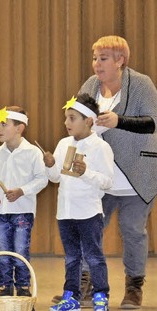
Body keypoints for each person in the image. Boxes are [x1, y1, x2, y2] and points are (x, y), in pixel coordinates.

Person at [78, 35, 157, 309]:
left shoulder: (141, 84)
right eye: (94, 58)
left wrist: (118, 121)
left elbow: (152, 123)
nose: (96, 64)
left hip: (136, 174)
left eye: (103, 59)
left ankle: (134, 287)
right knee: (90, 230)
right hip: (100, 177)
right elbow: (76, 120)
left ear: (120, 60)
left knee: (133, 231)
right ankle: (86, 285)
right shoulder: (90, 86)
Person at [44, 94, 113, 311]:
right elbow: (55, 177)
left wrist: (87, 173)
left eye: (72, 118)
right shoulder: (63, 143)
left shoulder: (100, 147)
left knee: (94, 257)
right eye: (66, 118)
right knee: (72, 258)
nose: (66, 123)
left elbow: (108, 182)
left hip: (89, 212)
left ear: (89, 121)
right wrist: (49, 165)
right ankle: (71, 296)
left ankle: (101, 296)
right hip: (65, 213)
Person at [0, 106, 47, 297]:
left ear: (20, 128)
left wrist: (22, 191)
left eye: (4, 124)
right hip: (1, 213)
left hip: (23, 211)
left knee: (20, 252)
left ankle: (23, 288)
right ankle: (5, 288)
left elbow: (42, 179)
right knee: (3, 252)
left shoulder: (33, 152)